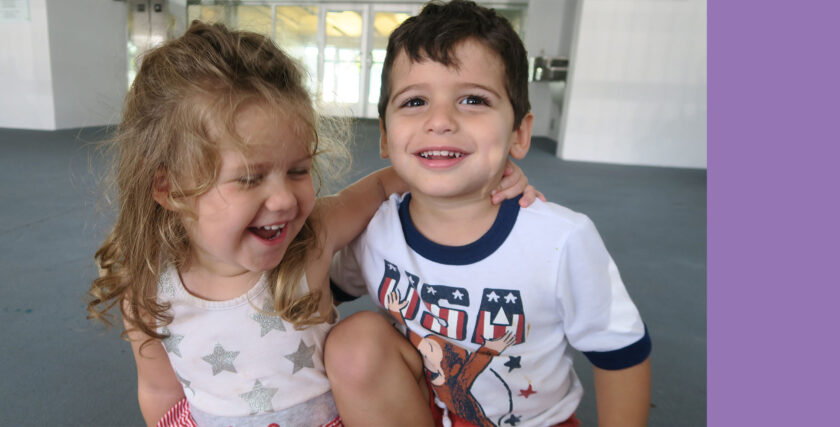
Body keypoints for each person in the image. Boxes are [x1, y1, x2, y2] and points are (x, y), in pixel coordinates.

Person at [86, 21, 536, 426]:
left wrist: (483, 174)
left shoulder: (313, 236)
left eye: (298, 170)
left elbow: (383, 186)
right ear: (170, 189)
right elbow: (160, 390)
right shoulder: (147, 288)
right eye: (249, 178)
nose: (284, 198)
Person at [326, 1, 652, 426]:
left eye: (473, 99)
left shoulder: (561, 239)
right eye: (415, 101)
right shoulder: (376, 229)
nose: (440, 120)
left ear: (519, 134)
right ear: (385, 138)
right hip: (423, 408)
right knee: (353, 342)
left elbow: (620, 353)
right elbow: (317, 290)